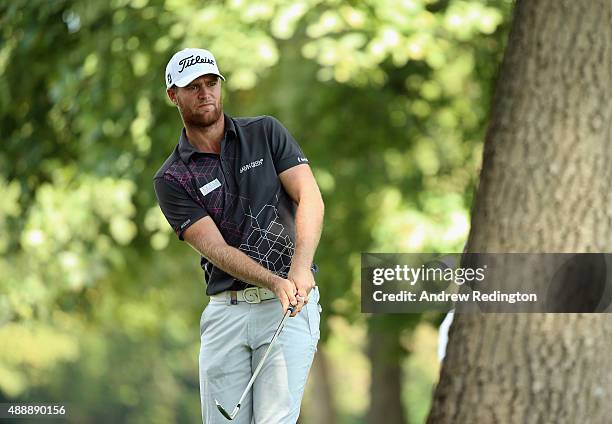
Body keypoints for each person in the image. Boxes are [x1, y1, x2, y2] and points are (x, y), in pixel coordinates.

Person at [153, 48, 324, 423]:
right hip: (226, 314)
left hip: (287, 308)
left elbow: (309, 195)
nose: (205, 93)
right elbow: (215, 248)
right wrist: (273, 280)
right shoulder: (172, 179)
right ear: (173, 96)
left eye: (211, 83)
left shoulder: (264, 132)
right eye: (192, 87)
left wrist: (300, 268)